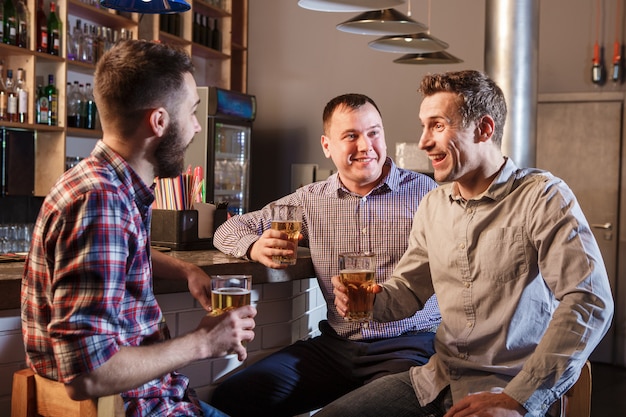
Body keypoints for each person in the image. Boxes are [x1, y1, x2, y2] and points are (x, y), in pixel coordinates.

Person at [317, 69, 615, 417]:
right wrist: (371, 300)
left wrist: (519, 399)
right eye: (423, 126)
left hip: (511, 387)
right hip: (437, 378)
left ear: (484, 129)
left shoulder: (543, 197)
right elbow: (409, 290)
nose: (424, 141)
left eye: (438, 126)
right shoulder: (433, 205)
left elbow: (589, 301)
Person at [21, 39, 257, 417]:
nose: (197, 127)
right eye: (192, 112)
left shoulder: (103, 184)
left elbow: (121, 250)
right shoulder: (101, 203)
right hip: (143, 409)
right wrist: (204, 342)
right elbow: (87, 374)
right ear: (159, 121)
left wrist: (185, 269)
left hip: (160, 399)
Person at [211, 93, 441, 416]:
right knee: (232, 396)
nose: (366, 145)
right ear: (326, 146)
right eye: (351, 136)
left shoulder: (427, 194)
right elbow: (227, 229)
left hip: (410, 345)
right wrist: (253, 245)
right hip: (336, 348)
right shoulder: (309, 200)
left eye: (374, 132)